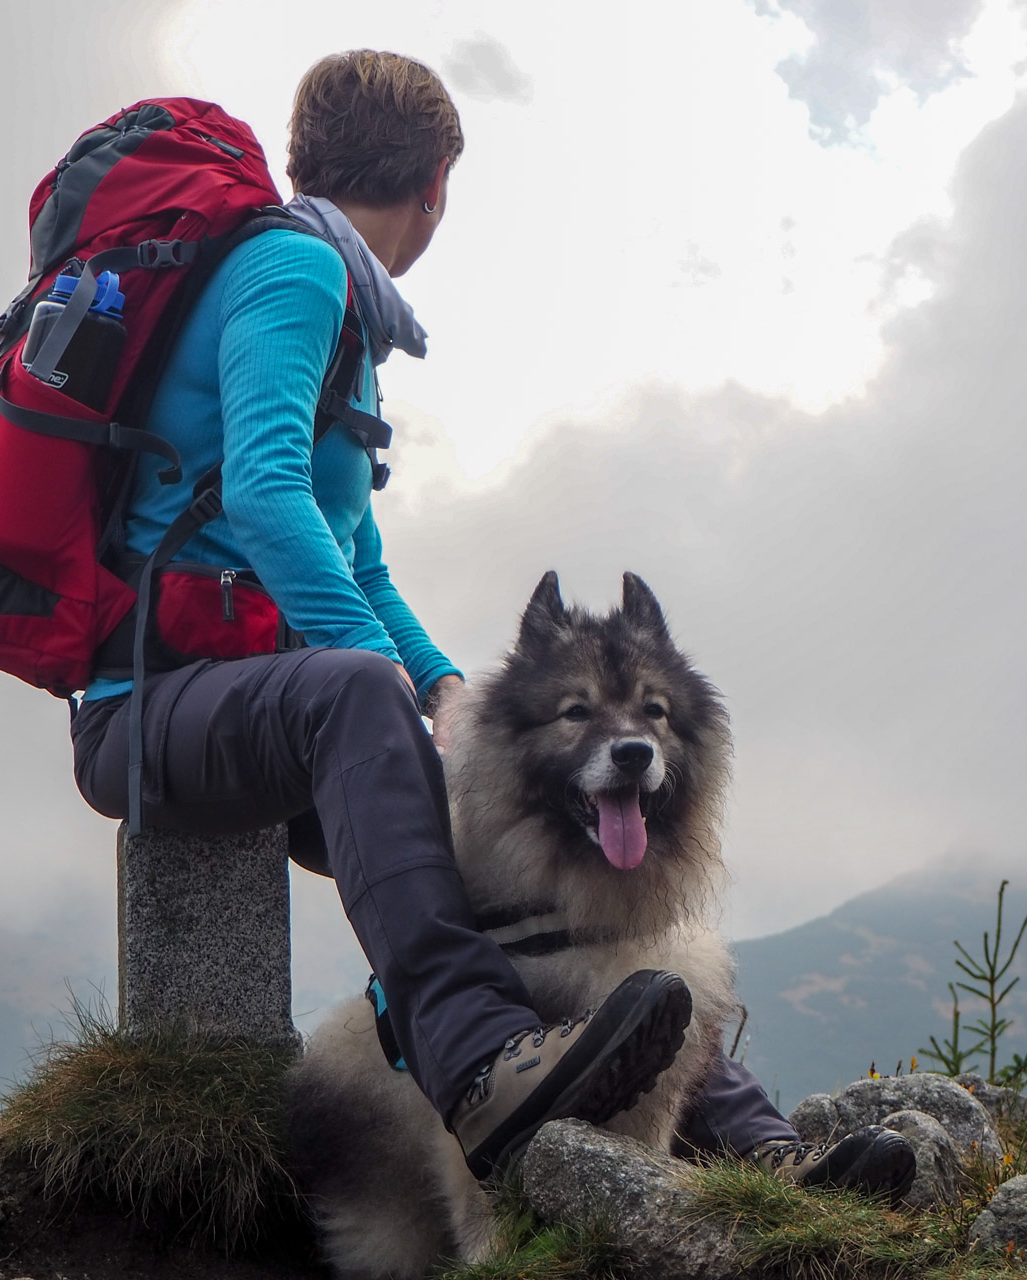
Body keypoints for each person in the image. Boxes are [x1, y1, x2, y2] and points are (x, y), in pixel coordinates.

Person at [67, 48, 910, 1192]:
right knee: (363, 698)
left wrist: (446, 689)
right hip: (145, 712)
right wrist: (385, 683)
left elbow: (355, 557)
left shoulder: (341, 311)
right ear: (438, 187)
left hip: (259, 706)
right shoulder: (294, 274)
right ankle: (479, 1068)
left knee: (513, 827)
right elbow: (265, 494)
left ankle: (760, 1149)